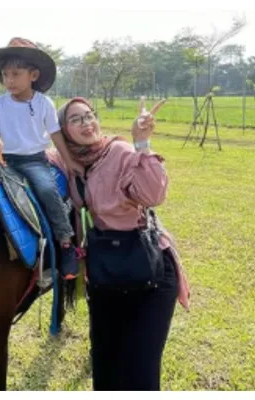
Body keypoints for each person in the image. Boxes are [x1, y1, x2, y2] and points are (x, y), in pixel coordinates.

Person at [47, 96, 191, 391]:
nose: (87, 123)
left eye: (89, 115)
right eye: (76, 119)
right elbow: (34, 156)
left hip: (148, 267)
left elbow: (154, 196)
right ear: (64, 131)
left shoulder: (120, 152)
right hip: (105, 271)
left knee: (140, 369)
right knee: (105, 362)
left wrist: (141, 144)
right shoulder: (68, 161)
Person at [0, 37, 81, 279]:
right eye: (5, 75)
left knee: (46, 190)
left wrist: (70, 162)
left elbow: (55, 135)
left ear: (33, 75)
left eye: (15, 74)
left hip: (34, 161)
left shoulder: (44, 103)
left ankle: (65, 243)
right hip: (4, 161)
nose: (8, 80)